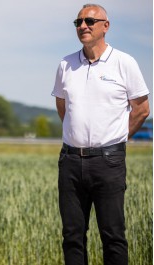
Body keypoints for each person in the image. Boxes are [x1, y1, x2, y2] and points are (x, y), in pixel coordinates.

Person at [52, 4, 150, 265]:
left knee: (113, 236)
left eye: (89, 21)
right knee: (72, 235)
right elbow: (63, 107)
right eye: (78, 22)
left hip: (109, 162)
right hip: (71, 162)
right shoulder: (65, 64)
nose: (83, 26)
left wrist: (117, 138)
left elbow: (141, 109)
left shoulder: (124, 62)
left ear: (105, 26)